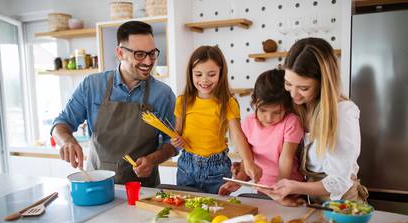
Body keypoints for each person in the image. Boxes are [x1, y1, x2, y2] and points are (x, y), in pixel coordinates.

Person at [51, 21, 176, 186]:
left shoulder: (163, 94)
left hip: (143, 191)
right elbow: (61, 124)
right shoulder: (92, 85)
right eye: (139, 54)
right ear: (120, 53)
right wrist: (66, 141)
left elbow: (173, 142)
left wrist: (152, 160)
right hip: (96, 184)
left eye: (152, 54)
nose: (148, 62)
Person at [260, 37, 368, 203]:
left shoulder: (343, 112)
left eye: (303, 88)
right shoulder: (298, 105)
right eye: (288, 84)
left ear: (323, 84)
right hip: (311, 200)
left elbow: (340, 182)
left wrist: (295, 187)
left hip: (342, 202)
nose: (293, 95)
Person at [171, 45, 262, 194]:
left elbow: (238, 136)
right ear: (191, 74)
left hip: (217, 168)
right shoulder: (183, 101)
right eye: (198, 74)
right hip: (187, 166)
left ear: (221, 73)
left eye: (211, 74)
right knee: (187, 211)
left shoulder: (228, 102)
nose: (204, 80)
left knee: (216, 211)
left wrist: (249, 163)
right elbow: (177, 132)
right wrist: (175, 140)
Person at [218, 69, 304, 196]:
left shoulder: (291, 122)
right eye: (263, 110)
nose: (269, 118)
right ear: (255, 102)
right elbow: (249, 160)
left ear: (286, 107)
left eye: (276, 112)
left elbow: (286, 159)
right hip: (263, 189)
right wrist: (237, 181)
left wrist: (280, 189)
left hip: (291, 189)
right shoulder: (248, 123)